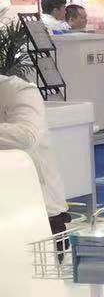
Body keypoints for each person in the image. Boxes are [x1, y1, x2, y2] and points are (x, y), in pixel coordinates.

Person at [0, 72, 69, 237]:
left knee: (39, 252)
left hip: (40, 211)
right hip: (6, 208)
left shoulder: (18, 90)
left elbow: (26, 136)